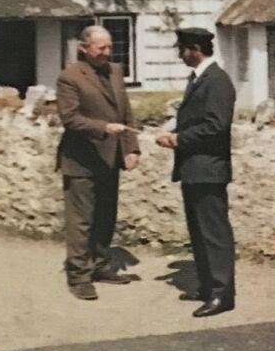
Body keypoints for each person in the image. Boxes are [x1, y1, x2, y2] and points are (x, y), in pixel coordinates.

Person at [55, 24, 141, 300]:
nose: (106, 52)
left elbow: (125, 111)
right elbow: (70, 118)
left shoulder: (115, 71)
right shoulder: (69, 77)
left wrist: (131, 148)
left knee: (106, 216)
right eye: (100, 48)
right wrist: (102, 127)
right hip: (81, 160)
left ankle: (101, 266)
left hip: (109, 159)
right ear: (84, 48)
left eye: (109, 47)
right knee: (81, 221)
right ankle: (79, 276)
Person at [155, 27, 236, 317]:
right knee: (199, 232)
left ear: (194, 49)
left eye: (182, 49)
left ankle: (221, 294)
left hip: (208, 169)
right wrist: (173, 131)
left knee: (214, 233)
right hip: (194, 168)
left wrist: (179, 139)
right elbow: (196, 119)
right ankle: (208, 286)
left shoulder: (217, 81)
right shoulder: (200, 78)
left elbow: (216, 125)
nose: (180, 55)